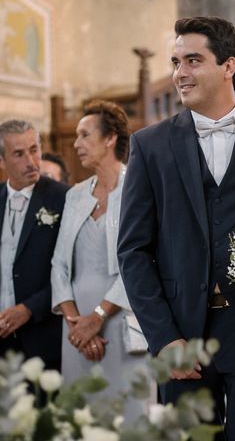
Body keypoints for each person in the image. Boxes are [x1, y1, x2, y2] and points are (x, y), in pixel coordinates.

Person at [116, 16, 235, 441]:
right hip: (182, 331)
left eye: (192, 60)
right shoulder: (149, 145)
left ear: (229, 66)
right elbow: (133, 250)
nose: (179, 73)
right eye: (175, 62)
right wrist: (164, 339)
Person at [50, 100, 148, 418]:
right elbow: (59, 265)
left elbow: (141, 261)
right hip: (76, 329)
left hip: (121, 319)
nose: (76, 144)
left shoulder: (139, 187)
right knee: (80, 417)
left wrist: (99, 317)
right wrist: (76, 324)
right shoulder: (74, 194)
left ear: (110, 139)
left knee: (128, 416)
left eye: (84, 135)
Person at [0, 120, 68, 372]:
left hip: (43, 338)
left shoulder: (63, 198)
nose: (31, 160)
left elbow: (71, 270)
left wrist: (29, 308)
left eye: (34, 149)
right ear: (2, 160)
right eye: (19, 154)